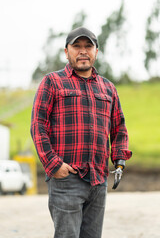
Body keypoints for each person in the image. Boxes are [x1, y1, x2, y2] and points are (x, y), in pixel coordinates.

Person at [30, 27, 132, 238]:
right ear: (66, 52)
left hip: (98, 179)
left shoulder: (108, 88)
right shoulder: (52, 82)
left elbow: (119, 127)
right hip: (67, 178)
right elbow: (38, 126)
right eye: (76, 46)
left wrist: (119, 160)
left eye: (88, 46)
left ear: (97, 52)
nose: (83, 51)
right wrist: (53, 164)